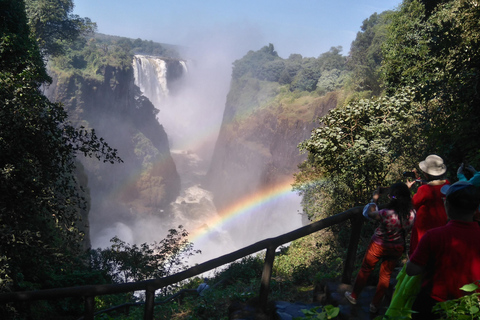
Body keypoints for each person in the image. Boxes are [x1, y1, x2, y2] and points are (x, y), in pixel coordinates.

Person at [406, 181, 480, 319]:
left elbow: (411, 270)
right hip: (473, 306)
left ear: (447, 206)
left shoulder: (434, 236)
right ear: (476, 209)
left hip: (436, 304)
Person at [345, 182, 416, 313]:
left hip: (378, 245)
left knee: (366, 269)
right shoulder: (412, 214)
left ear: (391, 197)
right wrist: (405, 189)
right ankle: (375, 305)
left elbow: (369, 214)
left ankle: (354, 296)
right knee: (386, 276)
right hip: (397, 247)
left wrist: (374, 199)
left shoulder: (385, 213)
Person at [407, 154, 450, 256]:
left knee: (422, 254)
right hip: (443, 225)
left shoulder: (424, 190)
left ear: (426, 173)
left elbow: (413, 204)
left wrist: (406, 190)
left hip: (425, 228)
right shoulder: (447, 184)